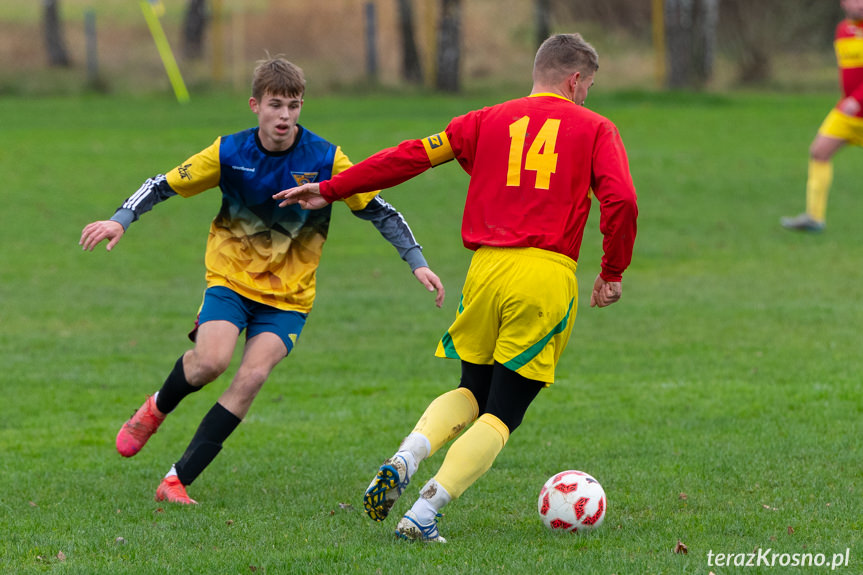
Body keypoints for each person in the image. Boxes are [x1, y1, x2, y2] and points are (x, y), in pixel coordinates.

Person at [274, 33, 638, 542]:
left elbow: (411, 157)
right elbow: (621, 200)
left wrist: (334, 187)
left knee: (472, 388)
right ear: (575, 79)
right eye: (588, 86)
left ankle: (408, 455)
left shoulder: (484, 119)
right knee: (504, 410)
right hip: (544, 274)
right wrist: (613, 270)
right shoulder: (596, 128)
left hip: (484, 270)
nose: (587, 96)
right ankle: (425, 512)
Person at [79, 57, 444, 505]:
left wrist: (416, 260)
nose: (285, 116)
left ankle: (176, 480)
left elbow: (378, 208)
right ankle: (157, 407)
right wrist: (122, 219)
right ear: (255, 105)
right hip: (231, 281)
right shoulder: (228, 152)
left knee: (251, 377)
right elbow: (164, 183)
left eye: (293, 106)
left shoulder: (326, 158)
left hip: (289, 298)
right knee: (211, 362)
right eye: (275, 105)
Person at [781, 0, 863, 232]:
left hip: (857, 107)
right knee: (819, 152)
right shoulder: (843, 30)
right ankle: (814, 218)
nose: (860, 4)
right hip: (847, 114)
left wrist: (857, 99)